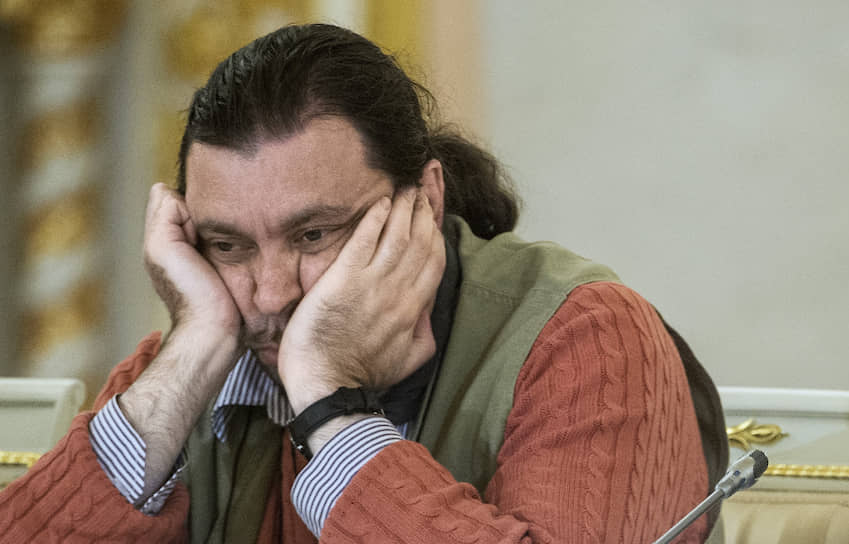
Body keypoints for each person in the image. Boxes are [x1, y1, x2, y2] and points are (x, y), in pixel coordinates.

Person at [0, 23, 726, 543]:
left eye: (314, 235)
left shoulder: (590, 339)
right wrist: (190, 356)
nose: (270, 294)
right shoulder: (204, 351)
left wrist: (330, 405)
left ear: (425, 202)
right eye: (228, 245)